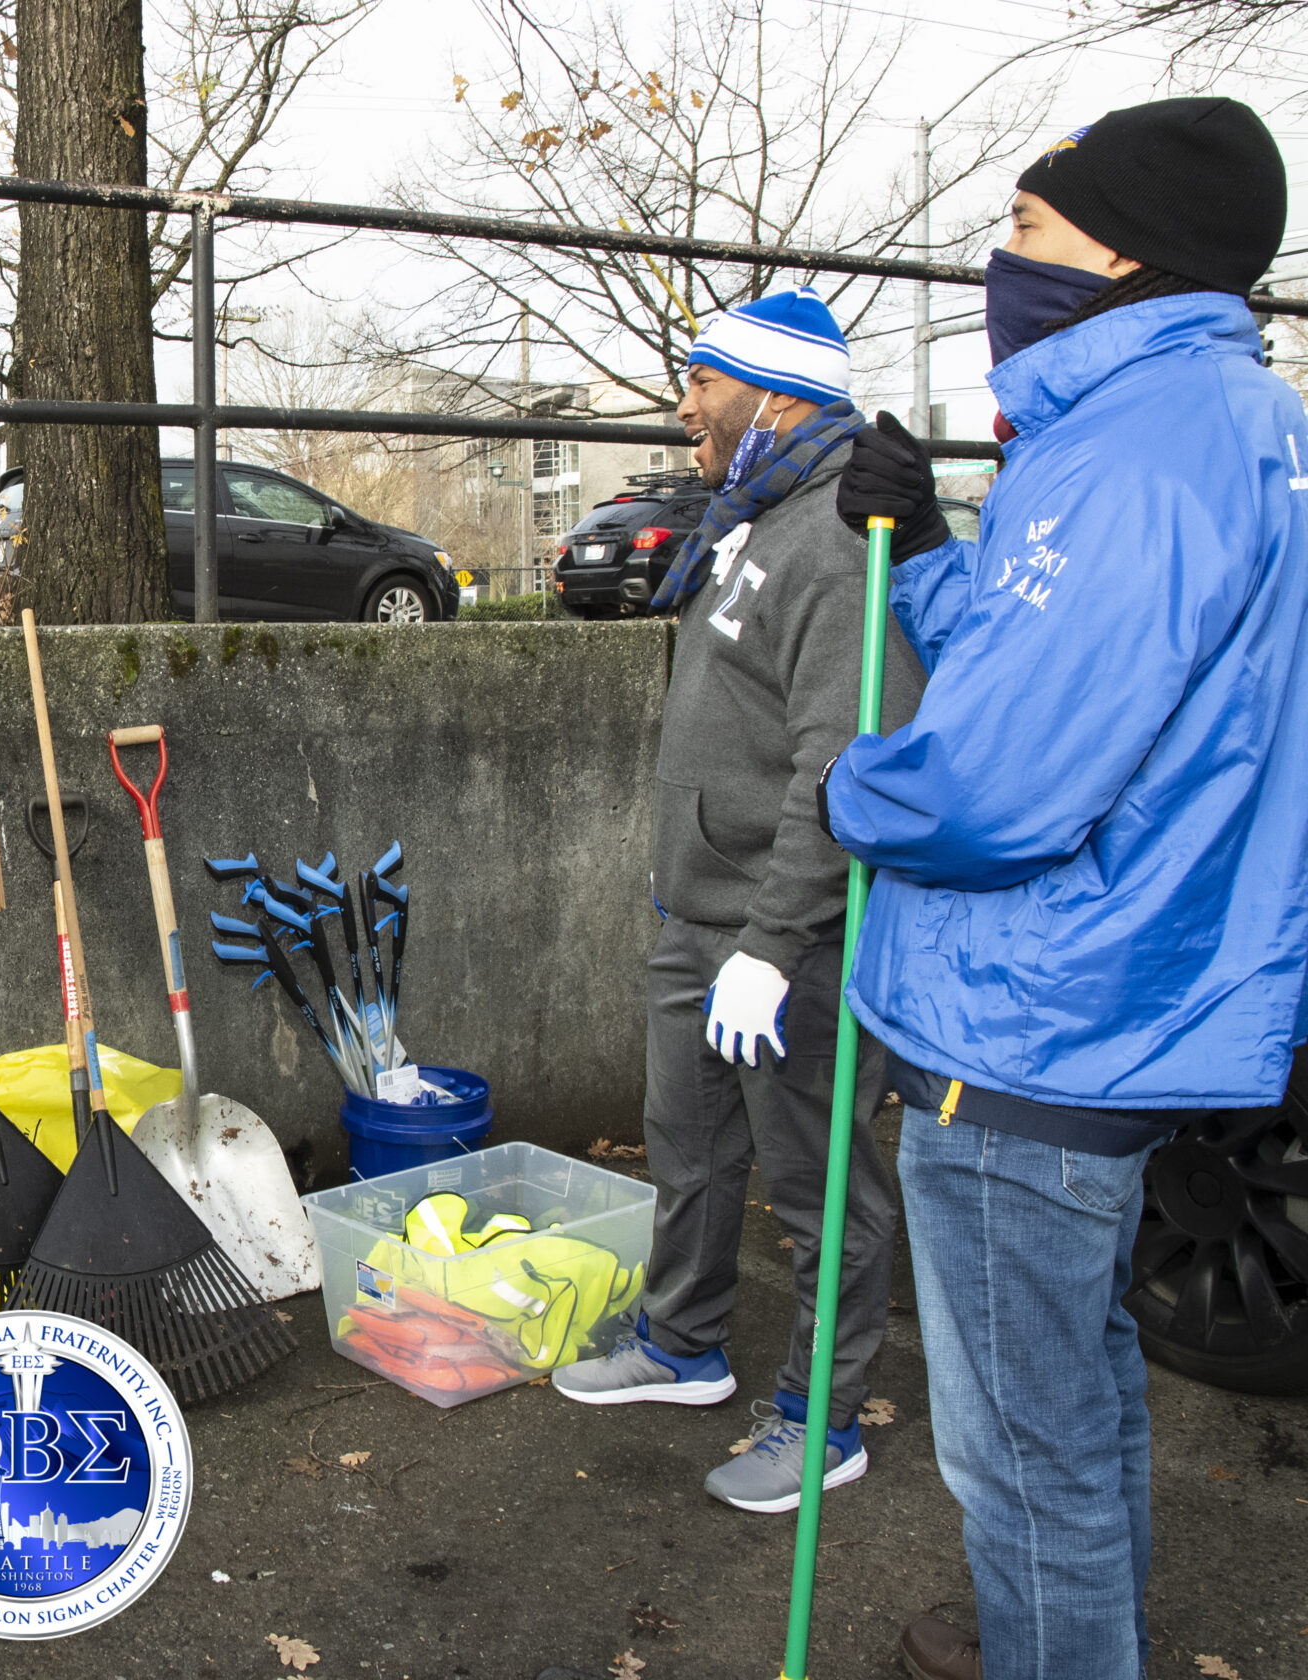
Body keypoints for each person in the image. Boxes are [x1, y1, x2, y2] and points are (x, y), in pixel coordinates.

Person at [822, 98, 1303, 1680]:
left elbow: (1000, 785)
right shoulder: (1225, 428)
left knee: (1024, 1459)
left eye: (1027, 226)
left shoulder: (1136, 457)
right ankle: (1079, 1641)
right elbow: (1086, 675)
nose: (999, 258)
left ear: (1123, 248)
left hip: (1033, 1023)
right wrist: (935, 541)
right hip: (1128, 995)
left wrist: (847, 792)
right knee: (1078, 1409)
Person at [551, 288, 920, 1517]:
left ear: (773, 393)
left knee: (822, 1190)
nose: (684, 405)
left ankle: (824, 1420)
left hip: (787, 936)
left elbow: (842, 755)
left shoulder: (839, 536)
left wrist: (773, 942)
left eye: (701, 381)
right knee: (691, 1144)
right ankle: (681, 1342)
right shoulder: (751, 518)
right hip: (694, 914)